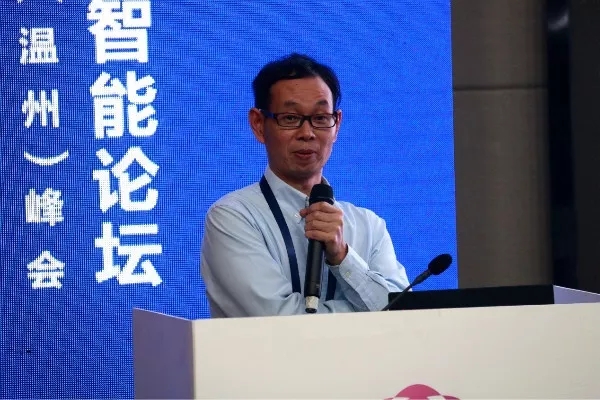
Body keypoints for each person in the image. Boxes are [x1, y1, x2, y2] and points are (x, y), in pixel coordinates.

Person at [201, 53, 410, 318]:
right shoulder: (233, 217)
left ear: (337, 125)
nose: (307, 133)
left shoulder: (369, 225)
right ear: (258, 124)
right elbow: (278, 321)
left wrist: (343, 256)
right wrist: (367, 314)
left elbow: (404, 314)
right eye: (290, 118)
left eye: (321, 118)